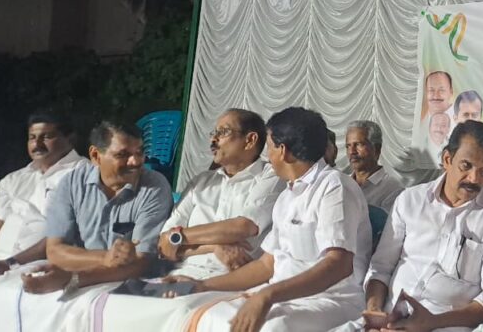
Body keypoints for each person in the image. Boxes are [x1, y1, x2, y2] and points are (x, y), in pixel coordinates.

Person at [172, 107, 372, 332]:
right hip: (281, 295)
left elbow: (338, 265)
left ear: (283, 150)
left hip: (330, 300)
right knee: (203, 314)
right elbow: (267, 264)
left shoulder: (335, 187)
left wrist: (267, 295)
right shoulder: (286, 196)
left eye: (268, 147)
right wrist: (201, 286)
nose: (267, 156)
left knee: (272, 328)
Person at [90, 109, 285, 331]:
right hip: (179, 275)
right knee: (113, 302)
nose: (213, 139)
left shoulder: (270, 177)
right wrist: (214, 246)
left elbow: (242, 227)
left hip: (228, 279)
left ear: (250, 140)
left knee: (179, 312)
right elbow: (164, 244)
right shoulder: (201, 182)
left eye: (223, 132)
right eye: (213, 133)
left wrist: (179, 236)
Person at [0, 120, 173, 331]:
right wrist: (104, 258)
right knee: (11, 296)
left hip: (122, 280)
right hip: (80, 273)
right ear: (95, 155)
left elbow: (141, 262)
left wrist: (73, 279)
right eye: (123, 155)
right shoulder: (72, 184)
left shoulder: (154, 187)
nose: (135, 161)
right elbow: (55, 250)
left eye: (139, 152)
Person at [355, 120, 483, 332]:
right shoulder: (411, 200)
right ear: (447, 159)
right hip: (391, 319)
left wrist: (432, 322)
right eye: (466, 166)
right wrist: (375, 311)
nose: (474, 178)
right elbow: (381, 267)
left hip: (448, 325)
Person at [0, 112, 87, 289]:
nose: (37, 144)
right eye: (32, 138)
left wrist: (10, 264)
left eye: (46, 137)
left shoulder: (83, 174)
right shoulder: (14, 179)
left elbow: (63, 235)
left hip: (40, 264)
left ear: (70, 139)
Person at [346, 120, 404, 212]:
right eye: (348, 146)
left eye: (358, 144)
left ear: (376, 149)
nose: (352, 151)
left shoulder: (393, 188)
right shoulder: (342, 183)